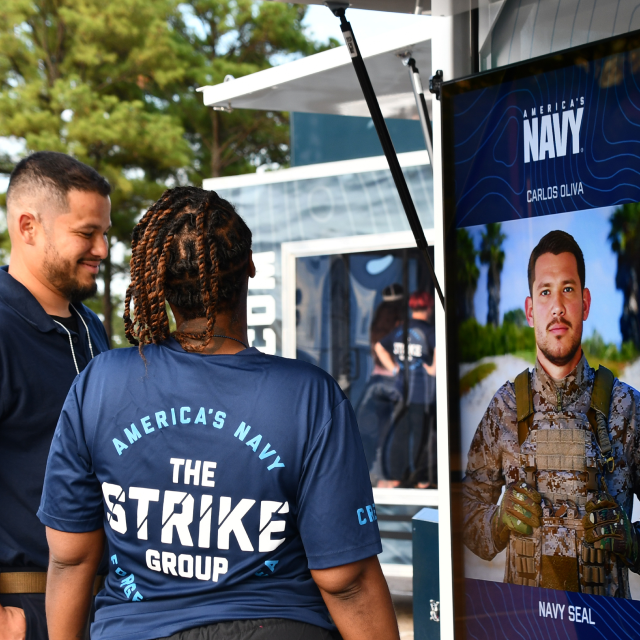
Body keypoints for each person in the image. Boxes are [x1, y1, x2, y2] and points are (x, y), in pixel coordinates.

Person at [37, 187, 400, 640]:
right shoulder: (308, 397)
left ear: (157, 278)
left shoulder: (99, 384)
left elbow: (70, 556)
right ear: (250, 266)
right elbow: (346, 580)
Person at [463, 230, 640, 596]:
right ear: (531, 311)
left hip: (602, 627)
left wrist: (630, 540)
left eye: (568, 289)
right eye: (545, 292)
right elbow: (465, 511)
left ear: (586, 303)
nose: (557, 306)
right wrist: (497, 523)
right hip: (525, 624)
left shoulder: (626, 409)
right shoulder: (505, 407)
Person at [0, 152, 111, 640]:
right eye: (87, 233)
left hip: (105, 605)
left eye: (104, 233)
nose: (103, 249)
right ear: (28, 226)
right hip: (25, 602)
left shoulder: (92, 328)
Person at [374, 291, 436, 487]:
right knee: (421, 436)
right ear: (428, 308)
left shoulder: (402, 329)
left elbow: (379, 347)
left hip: (401, 390)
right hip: (421, 393)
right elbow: (438, 357)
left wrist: (394, 368)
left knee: (400, 433)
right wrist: (433, 369)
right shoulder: (429, 331)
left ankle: (395, 476)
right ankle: (421, 480)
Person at [356, 284, 404, 478]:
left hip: (377, 378)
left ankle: (374, 477)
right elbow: (379, 347)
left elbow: (375, 345)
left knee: (373, 433)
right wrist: (395, 370)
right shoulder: (398, 320)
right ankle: (385, 478)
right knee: (389, 434)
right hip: (391, 381)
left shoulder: (379, 319)